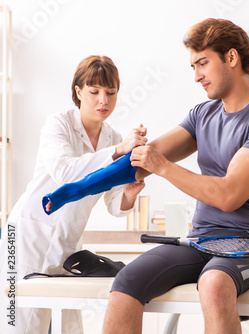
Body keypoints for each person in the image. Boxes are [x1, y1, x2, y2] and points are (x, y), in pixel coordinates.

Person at [103, 18, 249, 334]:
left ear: (231, 58)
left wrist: (162, 167)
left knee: (213, 283)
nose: (196, 76)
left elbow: (228, 195)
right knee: (127, 280)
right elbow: (140, 162)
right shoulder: (202, 115)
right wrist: (124, 150)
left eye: (202, 63)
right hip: (201, 241)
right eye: (193, 66)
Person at [0, 55, 147, 334]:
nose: (103, 100)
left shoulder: (112, 138)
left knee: (69, 327)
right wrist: (118, 152)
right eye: (94, 92)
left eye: (110, 92)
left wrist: (130, 192)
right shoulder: (59, 125)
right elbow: (66, 173)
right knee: (20, 326)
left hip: (67, 246)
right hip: (25, 237)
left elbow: (115, 204)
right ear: (78, 92)